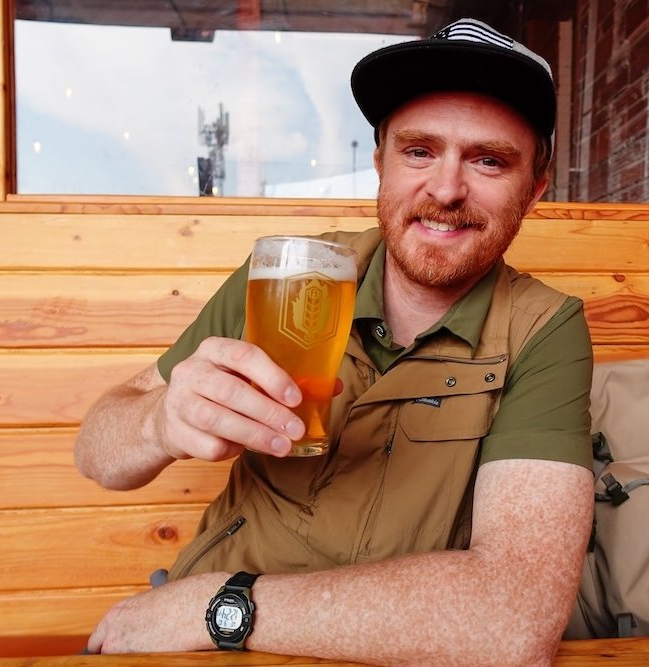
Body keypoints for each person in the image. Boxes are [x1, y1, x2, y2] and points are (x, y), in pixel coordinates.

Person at [75, 17, 594, 667]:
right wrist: (160, 420)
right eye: (418, 151)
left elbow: (512, 620)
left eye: (489, 160)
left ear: (535, 189)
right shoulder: (288, 274)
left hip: (260, 625)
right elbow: (97, 449)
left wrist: (220, 606)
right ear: (379, 162)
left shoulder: (545, 329)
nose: (446, 188)